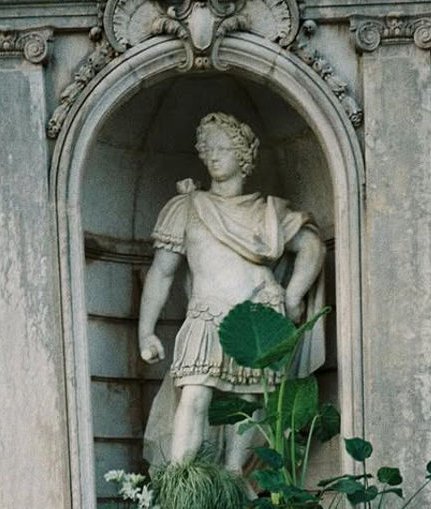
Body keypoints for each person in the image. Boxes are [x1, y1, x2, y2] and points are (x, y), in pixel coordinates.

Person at [138, 112, 325, 467]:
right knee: (194, 396)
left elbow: (312, 246)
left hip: (259, 313)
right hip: (207, 315)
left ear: (242, 156)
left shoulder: (265, 212)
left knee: (251, 403)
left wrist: (293, 296)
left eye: (221, 148)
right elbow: (161, 273)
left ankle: (235, 477)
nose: (212, 155)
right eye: (206, 148)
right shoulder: (186, 206)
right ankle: (181, 481)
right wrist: (145, 332)